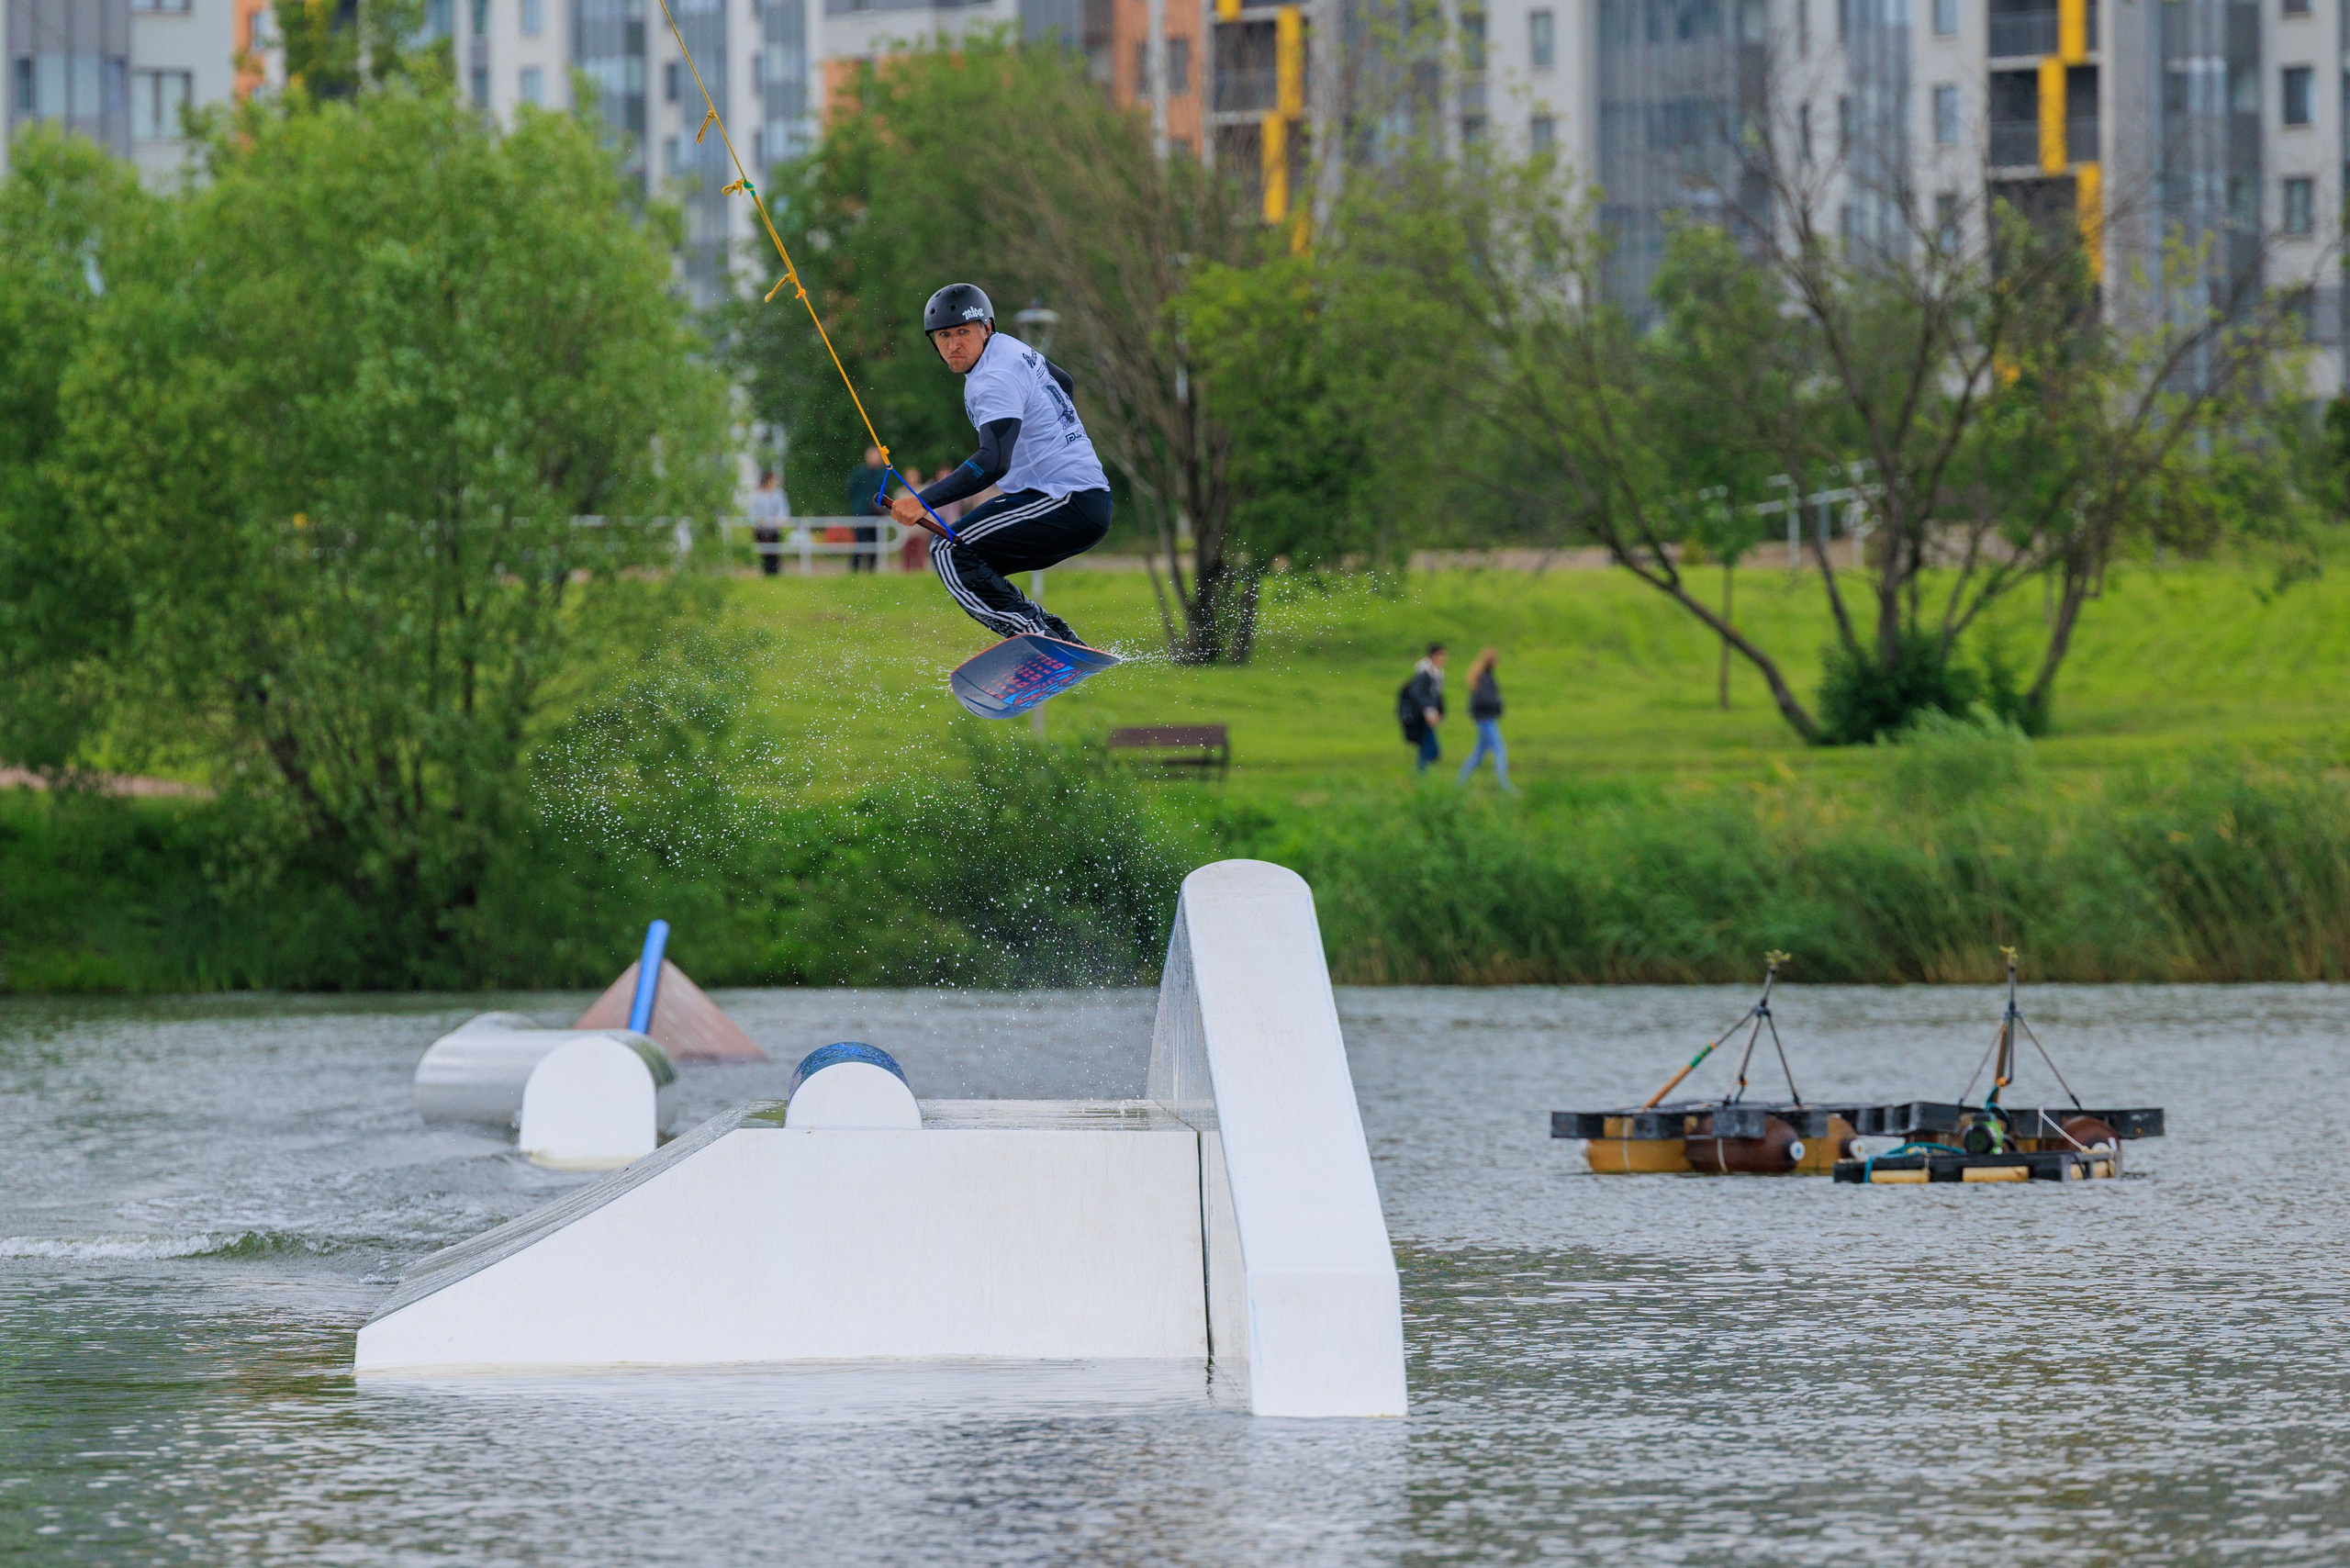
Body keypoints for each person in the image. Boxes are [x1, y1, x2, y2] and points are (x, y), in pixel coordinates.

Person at [887, 283, 1112, 645]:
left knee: (949, 551)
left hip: (1064, 500)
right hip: (1082, 500)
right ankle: (1054, 635)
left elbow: (992, 462)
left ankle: (1037, 638)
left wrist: (922, 501)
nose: (953, 345)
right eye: (944, 336)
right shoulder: (1011, 348)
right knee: (974, 562)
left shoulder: (993, 378)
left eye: (963, 332)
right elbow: (1064, 383)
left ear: (986, 328)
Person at [1456, 646, 1513, 790]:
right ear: (1492, 661)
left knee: (1478, 755)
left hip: (1484, 719)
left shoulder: (1483, 676)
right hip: (1486, 720)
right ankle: (1505, 786)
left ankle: (1458, 784)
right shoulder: (1485, 678)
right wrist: (1498, 704)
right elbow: (1484, 700)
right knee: (1500, 751)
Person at [1396, 644, 1446, 773]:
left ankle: (1420, 775)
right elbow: (1419, 695)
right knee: (1431, 750)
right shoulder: (1424, 674)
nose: (1444, 658)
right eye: (1441, 655)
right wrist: (1429, 712)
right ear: (1434, 656)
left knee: (1429, 748)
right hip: (1421, 718)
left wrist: (1440, 712)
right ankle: (1419, 775)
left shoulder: (1435, 675)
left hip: (1424, 717)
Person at [843, 446, 887, 574]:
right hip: (861, 512)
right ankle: (855, 569)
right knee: (859, 541)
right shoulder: (859, 472)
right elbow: (850, 490)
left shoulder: (882, 474)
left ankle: (871, 569)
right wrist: (858, 505)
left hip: (876, 513)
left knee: (875, 542)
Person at [747, 467, 789, 577]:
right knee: (765, 552)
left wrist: (780, 519)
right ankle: (767, 573)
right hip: (762, 529)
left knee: (774, 552)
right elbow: (752, 512)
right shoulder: (757, 495)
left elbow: (783, 510)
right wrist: (758, 520)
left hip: (774, 528)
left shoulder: (779, 494)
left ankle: (774, 573)